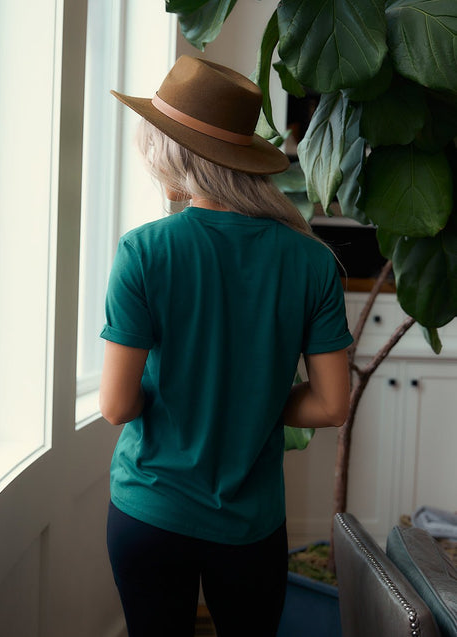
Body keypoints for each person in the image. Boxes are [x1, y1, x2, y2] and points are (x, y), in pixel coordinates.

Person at [99, 55, 353, 637]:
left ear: (173, 154)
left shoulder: (144, 251)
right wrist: (261, 403)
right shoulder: (311, 259)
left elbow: (116, 406)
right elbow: (331, 405)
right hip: (250, 525)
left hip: (149, 511)